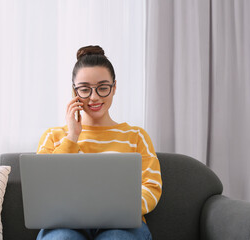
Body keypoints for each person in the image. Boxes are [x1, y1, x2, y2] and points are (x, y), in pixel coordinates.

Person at [36, 45, 162, 240]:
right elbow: (43, 187)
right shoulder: (53, 136)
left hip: (123, 225)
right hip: (65, 224)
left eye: (103, 87)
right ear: (74, 91)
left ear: (114, 87)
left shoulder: (136, 136)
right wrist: (72, 137)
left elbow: (151, 185)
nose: (94, 97)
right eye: (85, 89)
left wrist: (123, 211)